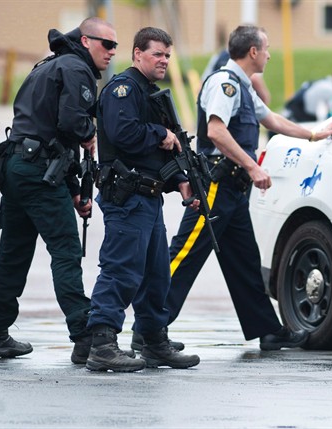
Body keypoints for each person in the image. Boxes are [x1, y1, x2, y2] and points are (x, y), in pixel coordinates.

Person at [130, 24, 332, 353]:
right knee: (184, 255)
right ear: (253, 51)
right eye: (266, 49)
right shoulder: (225, 84)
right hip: (217, 183)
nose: (269, 55)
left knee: (244, 260)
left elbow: (271, 119)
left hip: (232, 188)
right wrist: (252, 166)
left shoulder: (242, 85)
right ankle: (148, 328)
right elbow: (216, 132)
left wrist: (315, 134)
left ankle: (268, 330)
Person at [0, 18, 116, 363]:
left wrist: (73, 189)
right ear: (85, 41)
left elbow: (49, 130)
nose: (112, 52)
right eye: (107, 44)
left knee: (13, 253)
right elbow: (70, 123)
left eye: (115, 46)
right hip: (39, 172)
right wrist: (89, 133)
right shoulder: (76, 69)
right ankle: (85, 337)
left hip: (18, 166)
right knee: (66, 251)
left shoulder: (49, 65)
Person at [85, 27, 201, 372]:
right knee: (121, 270)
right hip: (127, 197)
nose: (164, 60)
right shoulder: (123, 89)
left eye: (167, 55)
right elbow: (124, 134)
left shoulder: (148, 92)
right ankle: (102, 345)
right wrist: (159, 132)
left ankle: (153, 341)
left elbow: (156, 155)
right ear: (138, 54)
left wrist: (181, 181)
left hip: (148, 197)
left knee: (156, 274)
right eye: (157, 54)